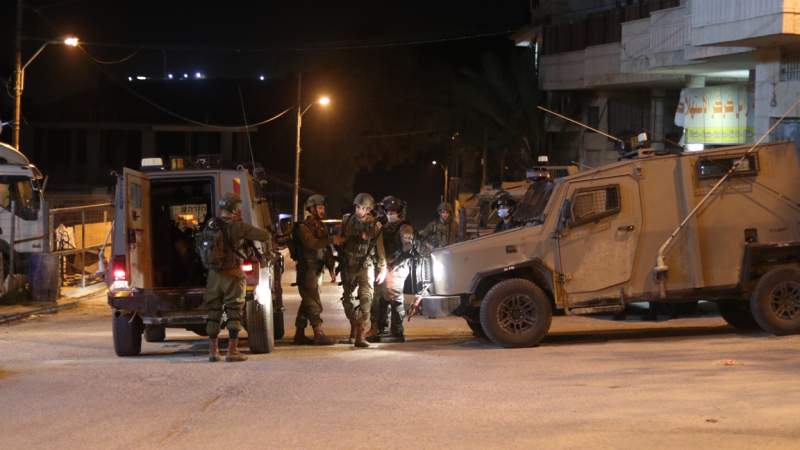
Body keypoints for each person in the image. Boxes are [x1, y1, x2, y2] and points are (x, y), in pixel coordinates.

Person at [201, 192, 271, 363]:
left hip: (213, 275)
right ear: (234, 209)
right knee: (234, 312)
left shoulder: (210, 225)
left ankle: (213, 351)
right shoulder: (238, 227)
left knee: (213, 312)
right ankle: (232, 351)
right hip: (232, 274)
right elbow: (264, 236)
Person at [337, 193, 387, 348]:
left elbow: (380, 248)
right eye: (358, 207)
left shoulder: (375, 226)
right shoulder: (347, 220)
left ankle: (361, 333)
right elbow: (340, 241)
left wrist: (383, 267)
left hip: (366, 265)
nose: (359, 210)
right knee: (347, 300)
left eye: (363, 208)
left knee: (366, 299)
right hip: (349, 265)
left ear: (369, 210)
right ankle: (354, 325)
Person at [368, 196, 415, 343]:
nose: (390, 214)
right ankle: (382, 327)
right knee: (382, 297)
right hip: (386, 266)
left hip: (398, 267)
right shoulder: (385, 226)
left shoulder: (404, 227)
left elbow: (407, 249)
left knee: (395, 298)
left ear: (399, 212)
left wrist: (393, 263)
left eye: (393, 212)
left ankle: (397, 331)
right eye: (388, 211)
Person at [292, 194, 336, 346]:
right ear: (311, 208)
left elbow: (326, 249)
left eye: (323, 207)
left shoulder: (320, 225)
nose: (322, 210)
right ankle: (318, 333)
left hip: (317, 269)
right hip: (307, 269)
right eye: (319, 207)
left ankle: (299, 333)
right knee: (313, 302)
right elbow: (313, 244)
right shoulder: (302, 227)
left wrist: (331, 267)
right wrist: (332, 239)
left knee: (307, 301)